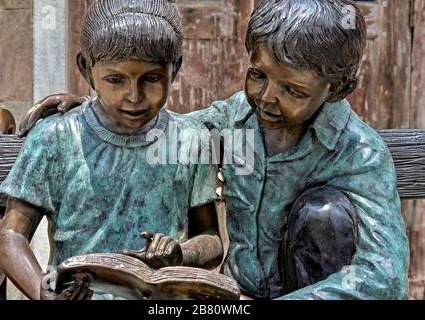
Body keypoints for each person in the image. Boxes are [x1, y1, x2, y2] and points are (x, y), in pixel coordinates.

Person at [20, 0, 410, 299]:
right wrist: (94, 102)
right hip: (232, 297)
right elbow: (158, 126)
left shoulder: (358, 153)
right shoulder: (235, 121)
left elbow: (383, 274)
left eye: (293, 91)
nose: (267, 99)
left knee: (324, 213)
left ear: (338, 89)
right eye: (257, 75)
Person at [0, 0, 222, 300]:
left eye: (152, 79)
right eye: (115, 80)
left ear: (175, 69)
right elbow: (11, 235)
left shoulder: (191, 140)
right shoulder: (57, 137)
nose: (134, 96)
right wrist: (42, 292)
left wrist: (180, 253)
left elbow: (211, 240)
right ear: (87, 70)